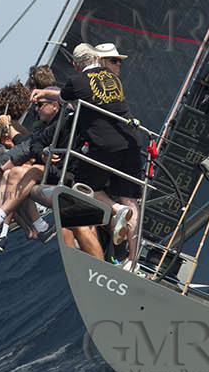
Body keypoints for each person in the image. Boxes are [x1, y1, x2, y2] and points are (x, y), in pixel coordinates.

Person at [62, 41, 146, 256]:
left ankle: (115, 209)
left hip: (105, 144)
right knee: (130, 199)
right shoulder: (114, 79)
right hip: (132, 140)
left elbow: (65, 97)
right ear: (98, 59)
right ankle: (132, 259)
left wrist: (44, 94)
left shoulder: (77, 79)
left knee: (82, 188)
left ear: (76, 64)